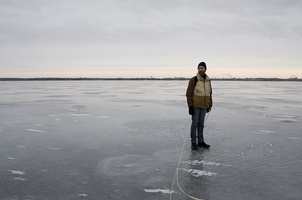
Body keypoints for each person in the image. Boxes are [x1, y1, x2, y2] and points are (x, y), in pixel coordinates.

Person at [186, 62, 213, 150]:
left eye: (202, 68)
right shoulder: (194, 80)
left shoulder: (208, 81)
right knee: (195, 124)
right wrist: (190, 106)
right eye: (199, 68)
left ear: (205, 69)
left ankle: (201, 141)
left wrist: (209, 105)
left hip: (204, 105)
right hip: (196, 105)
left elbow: (210, 93)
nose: (200, 69)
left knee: (201, 124)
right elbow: (189, 93)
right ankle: (194, 142)